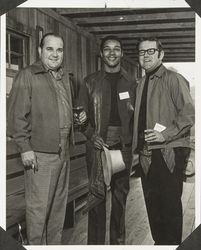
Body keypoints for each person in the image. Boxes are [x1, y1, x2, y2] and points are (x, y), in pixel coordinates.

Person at [7, 33, 85, 245]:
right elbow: (15, 117)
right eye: (50, 49)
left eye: (59, 50)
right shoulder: (28, 75)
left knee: (58, 209)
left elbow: (59, 112)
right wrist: (25, 148)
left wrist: (77, 119)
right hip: (40, 154)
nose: (55, 54)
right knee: (39, 210)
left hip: (64, 152)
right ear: (40, 51)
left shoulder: (64, 78)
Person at [132, 37, 195, 245]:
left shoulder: (173, 79)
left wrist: (164, 134)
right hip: (148, 154)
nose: (146, 56)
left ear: (161, 54)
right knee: (153, 208)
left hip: (168, 152)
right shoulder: (141, 83)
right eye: (142, 52)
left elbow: (188, 115)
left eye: (151, 51)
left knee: (169, 209)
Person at [78, 35, 137, 245]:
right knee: (97, 200)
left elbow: (136, 117)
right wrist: (91, 136)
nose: (112, 53)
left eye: (117, 49)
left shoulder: (132, 82)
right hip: (97, 147)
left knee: (120, 201)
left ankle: (117, 244)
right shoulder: (89, 82)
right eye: (108, 49)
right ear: (101, 53)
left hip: (123, 148)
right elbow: (80, 117)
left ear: (121, 53)